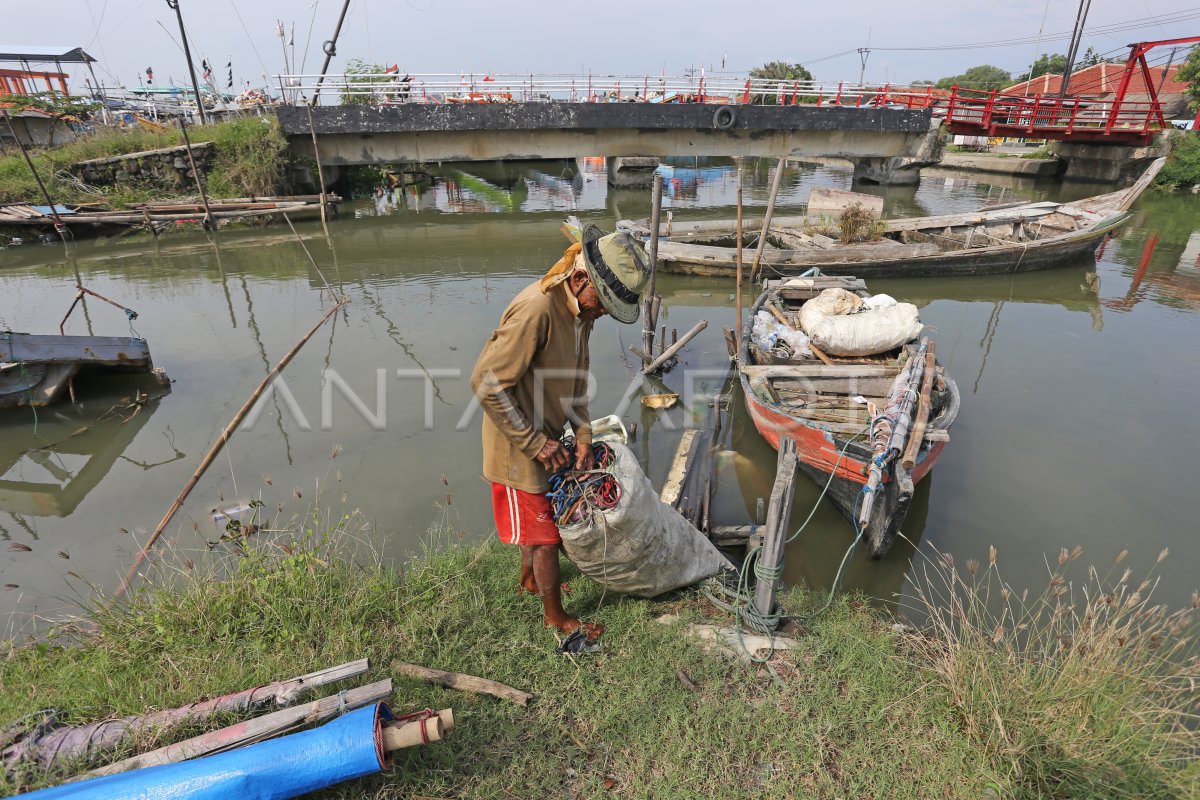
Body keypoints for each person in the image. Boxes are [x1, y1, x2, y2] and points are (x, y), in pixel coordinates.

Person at [470, 225, 650, 640]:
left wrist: (583, 434)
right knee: (547, 535)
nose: (602, 312)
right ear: (581, 278)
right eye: (601, 302)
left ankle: (531, 580)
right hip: (516, 443)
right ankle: (556, 618)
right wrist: (534, 442)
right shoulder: (536, 310)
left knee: (540, 524)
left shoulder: (580, 314)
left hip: (546, 435)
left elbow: (576, 381)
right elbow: (485, 382)